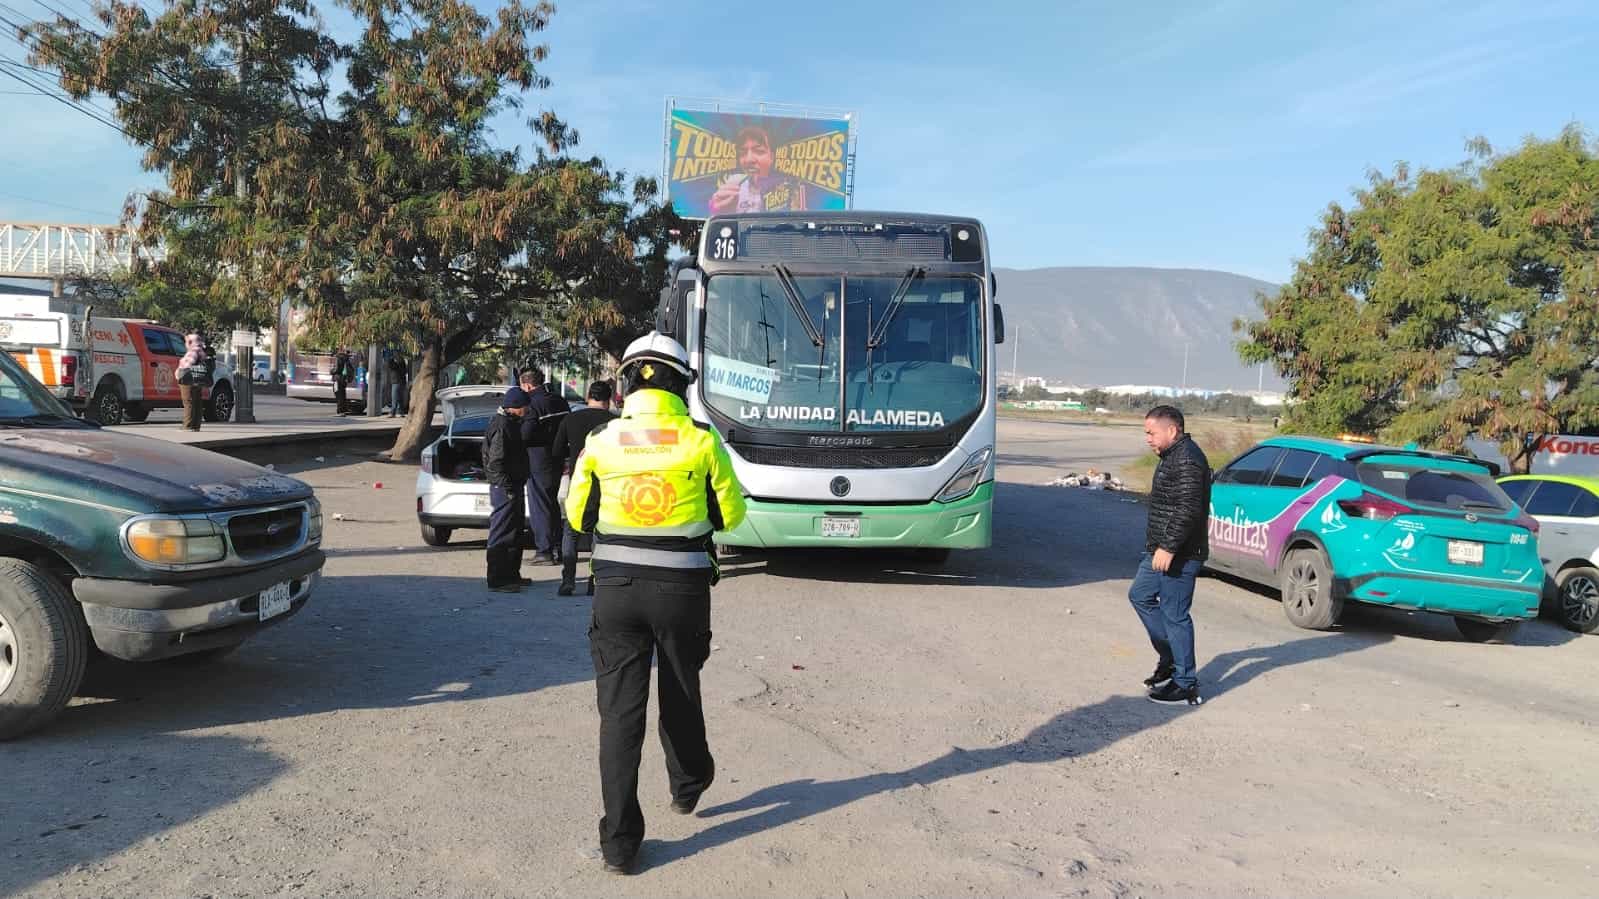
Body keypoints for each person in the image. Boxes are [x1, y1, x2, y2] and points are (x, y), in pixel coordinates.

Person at [565, 332, 747, 875]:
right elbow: (732, 516)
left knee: (619, 716)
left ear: (625, 383)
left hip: (617, 593)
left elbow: (578, 517)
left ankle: (620, 844)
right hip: (682, 592)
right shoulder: (702, 440)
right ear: (682, 383)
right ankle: (689, 784)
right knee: (681, 690)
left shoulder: (601, 440)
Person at [1130, 405, 1211, 707]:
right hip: (1160, 548)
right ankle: (1170, 659)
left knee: (1174, 615)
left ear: (1172, 430)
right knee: (1140, 595)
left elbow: (1188, 509)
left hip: (1180, 553)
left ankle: (1185, 682)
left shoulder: (1188, 459)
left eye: (1152, 432)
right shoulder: (1172, 456)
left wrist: (1169, 547)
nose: (1148, 438)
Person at [550, 380, 617, 596]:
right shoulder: (615, 423)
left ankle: (568, 580)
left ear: (588, 397)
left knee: (571, 530)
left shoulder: (571, 419)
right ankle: (594, 581)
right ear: (609, 400)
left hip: (578, 482)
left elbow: (556, 450)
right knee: (600, 531)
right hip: (606, 483)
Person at [483, 386, 534, 592]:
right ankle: (497, 579)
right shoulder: (502, 426)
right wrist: (505, 487)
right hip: (505, 487)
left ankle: (512, 574)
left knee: (514, 532)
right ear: (515, 407)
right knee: (502, 532)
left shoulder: (511, 423)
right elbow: (496, 461)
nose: (528, 410)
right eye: (525, 407)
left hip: (513, 484)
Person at [518, 365, 569, 565]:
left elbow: (526, 434)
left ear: (528, 385)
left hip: (538, 459)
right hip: (558, 458)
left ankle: (544, 551)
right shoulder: (559, 400)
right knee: (552, 505)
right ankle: (557, 547)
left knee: (540, 505)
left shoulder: (533, 404)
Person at [708, 125, 809, 215]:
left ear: (772, 157)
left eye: (759, 151)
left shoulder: (788, 187)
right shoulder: (735, 183)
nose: (749, 160)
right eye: (742, 153)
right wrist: (717, 211)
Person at [175, 333, 209, 431]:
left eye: (186, 341)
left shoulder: (193, 352)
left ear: (190, 342)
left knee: (188, 402)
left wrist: (178, 371)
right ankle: (196, 425)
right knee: (197, 402)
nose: (185, 344)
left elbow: (187, 366)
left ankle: (187, 425)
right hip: (197, 379)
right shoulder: (201, 351)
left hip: (187, 380)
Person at [386, 350, 409, 418]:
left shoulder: (401, 361)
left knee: (397, 397)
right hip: (397, 381)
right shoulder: (394, 361)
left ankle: (396, 412)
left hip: (399, 381)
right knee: (397, 397)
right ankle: (398, 412)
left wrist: (397, 362)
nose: (397, 355)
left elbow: (404, 370)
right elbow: (391, 367)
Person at [333, 348, 355, 415]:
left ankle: (340, 410)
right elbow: (351, 369)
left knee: (338, 394)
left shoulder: (338, 358)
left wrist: (331, 371)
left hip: (338, 378)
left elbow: (337, 369)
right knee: (342, 394)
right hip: (344, 379)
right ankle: (343, 409)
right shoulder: (347, 359)